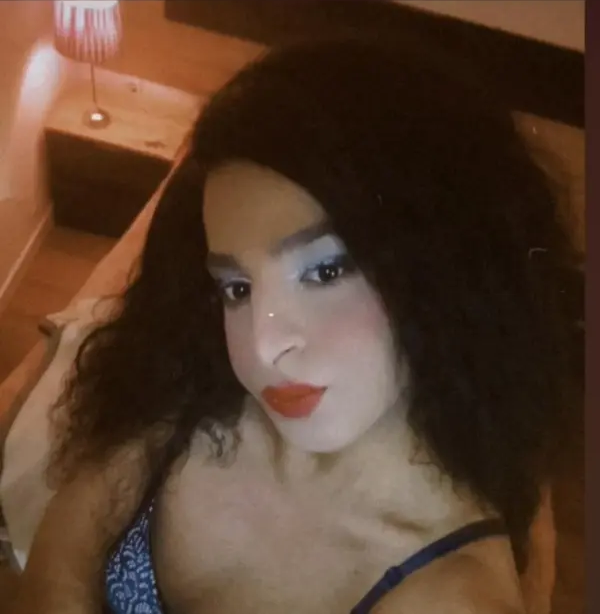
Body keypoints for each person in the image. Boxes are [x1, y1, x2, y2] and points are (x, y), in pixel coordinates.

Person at [10, 36, 575, 614]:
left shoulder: (450, 594)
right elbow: (70, 534)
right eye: (237, 288)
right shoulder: (195, 368)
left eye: (325, 271)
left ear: (444, 268)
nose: (264, 346)